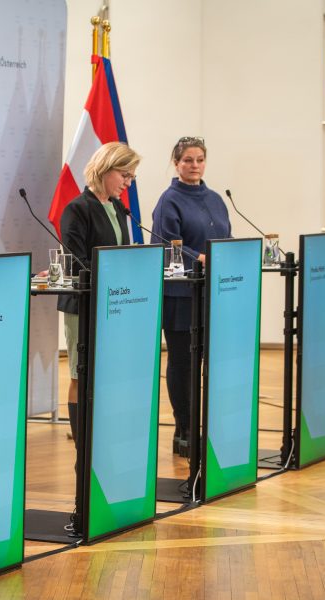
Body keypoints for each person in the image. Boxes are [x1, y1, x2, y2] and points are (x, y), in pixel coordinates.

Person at [58, 141, 140, 533]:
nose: (127, 183)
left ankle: (102, 424)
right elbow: (76, 259)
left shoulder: (119, 208)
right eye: (124, 174)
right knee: (79, 372)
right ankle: (81, 434)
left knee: (105, 374)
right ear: (105, 169)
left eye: (131, 176)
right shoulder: (78, 208)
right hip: (84, 307)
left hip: (116, 306)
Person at [151, 136, 231, 455]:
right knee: (183, 363)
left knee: (207, 362)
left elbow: (226, 238)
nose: (194, 165)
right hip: (180, 295)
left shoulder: (216, 198)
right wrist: (200, 258)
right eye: (188, 160)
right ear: (176, 163)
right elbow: (168, 245)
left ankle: (206, 425)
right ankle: (183, 428)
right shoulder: (168, 200)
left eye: (199, 159)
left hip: (212, 293)